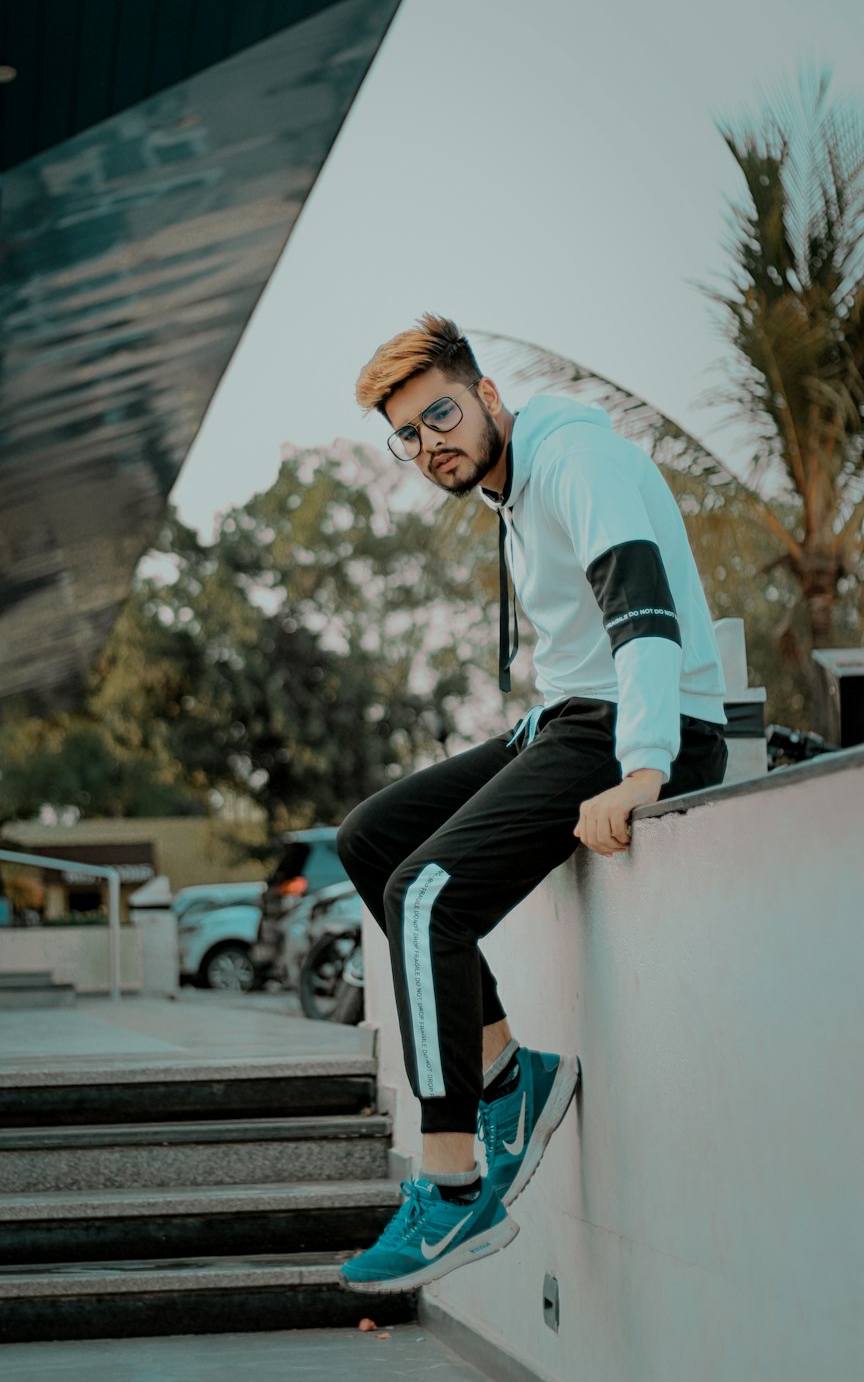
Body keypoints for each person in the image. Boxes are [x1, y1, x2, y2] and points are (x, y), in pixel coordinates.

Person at [337, 314, 728, 1294]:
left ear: (488, 398)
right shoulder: (510, 492)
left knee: (426, 895)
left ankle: (452, 1187)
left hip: (636, 725)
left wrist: (644, 765)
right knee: (371, 840)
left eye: (443, 416)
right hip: (566, 721)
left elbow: (640, 605)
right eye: (411, 434)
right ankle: (513, 1080)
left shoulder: (571, 461)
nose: (433, 444)